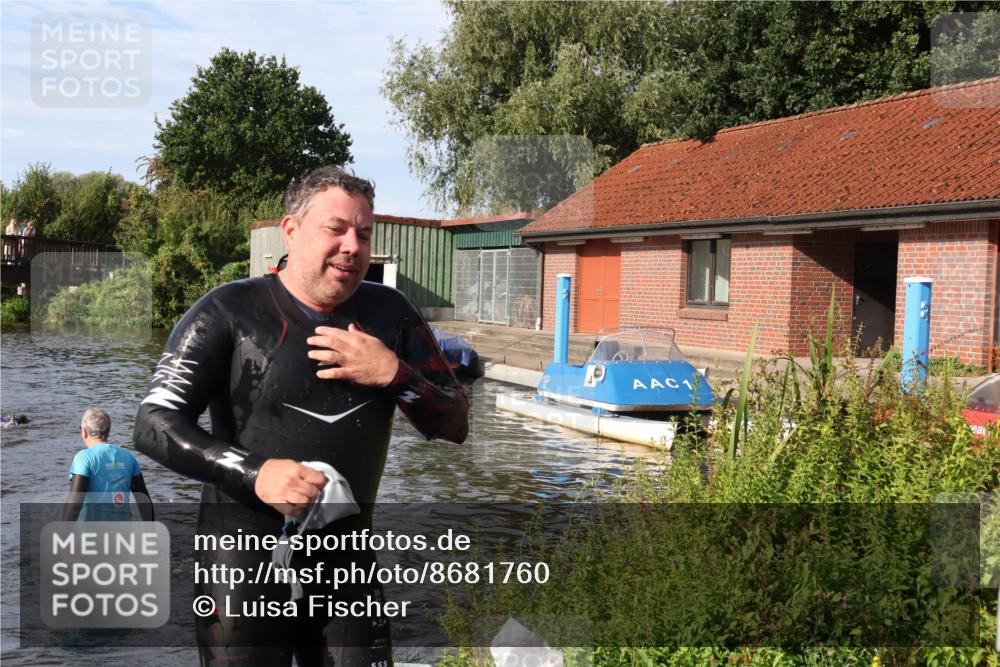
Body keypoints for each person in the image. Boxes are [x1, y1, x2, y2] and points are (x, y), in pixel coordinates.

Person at [133, 166, 469, 666]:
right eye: (335, 229)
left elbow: (455, 422)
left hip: (347, 570)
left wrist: (395, 374)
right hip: (241, 571)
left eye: (363, 232)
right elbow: (153, 423)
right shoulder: (228, 311)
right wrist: (255, 472)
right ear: (291, 231)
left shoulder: (391, 314)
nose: (353, 246)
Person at [64, 408, 153, 522]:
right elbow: (144, 501)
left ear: (84, 431)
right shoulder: (129, 458)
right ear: (108, 431)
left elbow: (75, 502)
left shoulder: (84, 458)